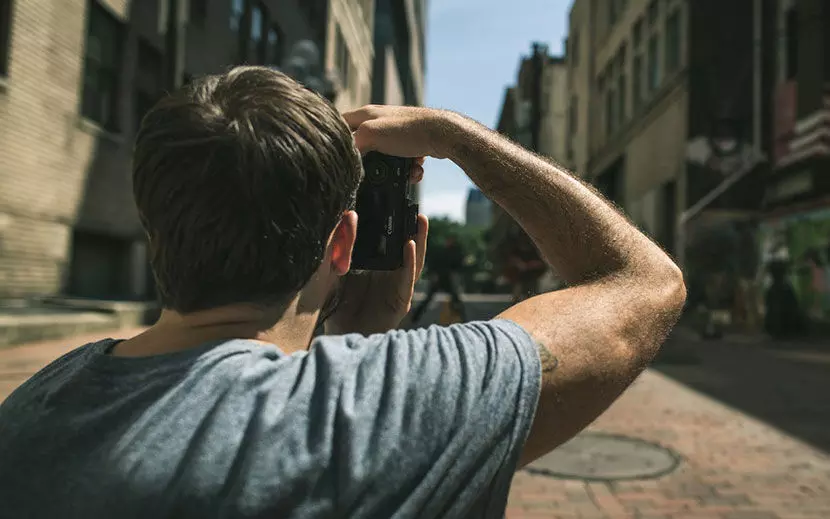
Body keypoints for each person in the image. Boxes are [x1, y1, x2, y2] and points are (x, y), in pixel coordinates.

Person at [0, 67, 686, 518]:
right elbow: (645, 284)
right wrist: (459, 136)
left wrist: (354, 346)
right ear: (341, 244)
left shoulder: (36, 404)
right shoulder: (393, 404)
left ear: (156, 225)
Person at [410, 234, 467, 324]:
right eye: (448, 240)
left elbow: (459, 265)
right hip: (439, 279)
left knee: (456, 299)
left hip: (448, 279)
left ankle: (464, 319)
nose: (449, 242)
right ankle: (415, 317)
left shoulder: (455, 252)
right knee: (428, 299)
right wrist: (433, 275)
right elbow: (433, 264)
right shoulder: (441, 252)